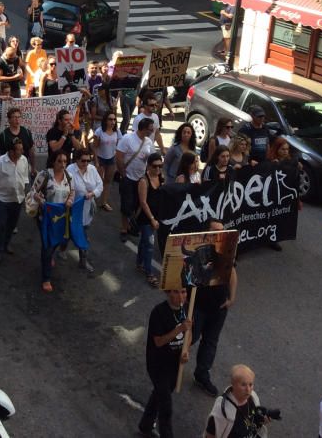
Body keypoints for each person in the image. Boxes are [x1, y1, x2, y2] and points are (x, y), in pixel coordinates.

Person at [191, 219, 238, 397]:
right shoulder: (197, 252)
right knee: (191, 336)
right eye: (216, 230)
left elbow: (231, 272)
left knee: (210, 342)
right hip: (198, 305)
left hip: (218, 307)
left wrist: (231, 298)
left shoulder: (225, 250)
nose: (221, 233)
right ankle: (173, 364)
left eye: (222, 230)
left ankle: (202, 375)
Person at [138, 288, 191, 438]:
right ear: (168, 293)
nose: (181, 296)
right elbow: (159, 341)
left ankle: (145, 424)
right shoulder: (158, 312)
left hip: (175, 365)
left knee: (160, 395)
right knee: (166, 405)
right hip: (158, 365)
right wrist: (180, 328)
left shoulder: (187, 308)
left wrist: (186, 351)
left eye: (183, 292)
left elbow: (189, 332)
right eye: (176, 292)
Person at [28, 151, 74, 293]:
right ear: (53, 161)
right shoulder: (45, 175)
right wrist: (41, 202)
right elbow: (33, 192)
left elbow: (72, 191)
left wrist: (70, 200)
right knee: (47, 245)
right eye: (60, 161)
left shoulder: (68, 176)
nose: (63, 164)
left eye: (65, 161)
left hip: (60, 218)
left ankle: (48, 258)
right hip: (45, 217)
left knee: (58, 242)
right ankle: (46, 278)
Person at [0, 137, 30, 265]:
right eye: (19, 150)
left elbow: (25, 179)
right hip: (2, 199)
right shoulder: (0, 162)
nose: (22, 152)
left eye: (22, 149)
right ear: (11, 151)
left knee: (12, 225)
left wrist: (26, 196)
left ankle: (6, 244)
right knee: (1, 225)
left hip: (17, 199)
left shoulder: (24, 160)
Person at [116, 118, 155, 242]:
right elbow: (119, 157)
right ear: (143, 128)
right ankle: (124, 228)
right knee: (126, 205)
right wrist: (123, 174)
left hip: (141, 179)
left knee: (139, 204)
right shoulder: (127, 139)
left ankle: (131, 225)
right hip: (128, 177)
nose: (152, 131)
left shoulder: (148, 141)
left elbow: (152, 158)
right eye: (150, 129)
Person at [204, 365, 270, 438]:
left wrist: (263, 420)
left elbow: (253, 421)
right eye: (243, 385)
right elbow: (210, 435)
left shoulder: (253, 398)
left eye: (250, 384)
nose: (248, 389)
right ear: (233, 384)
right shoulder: (222, 411)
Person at [67, 148, 103, 273]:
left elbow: (100, 185)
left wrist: (93, 193)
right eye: (83, 161)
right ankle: (62, 248)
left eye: (89, 160)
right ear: (76, 160)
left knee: (83, 233)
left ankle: (82, 260)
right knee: (70, 233)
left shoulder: (92, 169)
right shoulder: (69, 170)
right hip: (73, 209)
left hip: (87, 209)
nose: (86, 163)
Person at [135, 153, 164, 287]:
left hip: (157, 216)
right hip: (146, 218)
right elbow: (143, 202)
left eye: (160, 166)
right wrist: (152, 219)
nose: (158, 169)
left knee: (145, 241)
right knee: (150, 245)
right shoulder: (143, 181)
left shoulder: (160, 177)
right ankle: (149, 273)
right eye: (155, 166)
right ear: (149, 166)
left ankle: (139, 263)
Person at [0, 106, 36, 175]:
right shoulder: (3, 135)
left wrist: (33, 168)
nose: (17, 119)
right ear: (9, 120)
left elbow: (31, 151)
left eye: (19, 117)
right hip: (7, 169)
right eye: (14, 117)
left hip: (24, 168)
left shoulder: (26, 132)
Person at [91, 113, 120, 212]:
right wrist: (96, 161)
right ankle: (91, 200)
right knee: (97, 181)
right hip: (100, 158)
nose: (112, 122)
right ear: (105, 120)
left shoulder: (117, 131)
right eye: (110, 119)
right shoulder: (99, 131)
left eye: (114, 120)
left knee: (107, 181)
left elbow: (119, 146)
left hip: (111, 159)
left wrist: (117, 161)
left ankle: (104, 202)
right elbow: (95, 147)